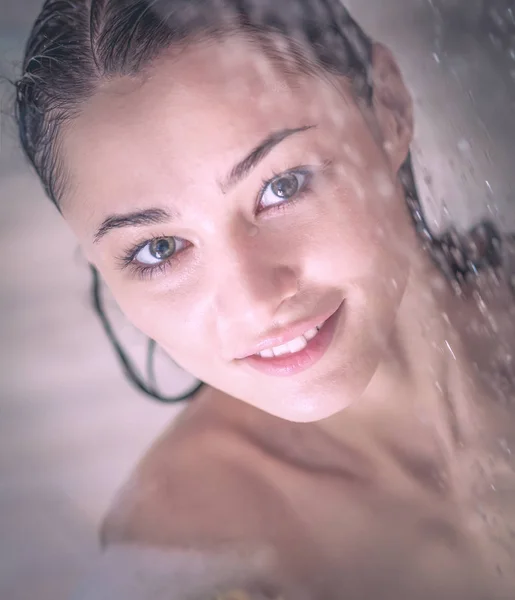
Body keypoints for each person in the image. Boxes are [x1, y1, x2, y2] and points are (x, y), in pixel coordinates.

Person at [15, 0, 515, 598]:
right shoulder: (183, 551)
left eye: (281, 186)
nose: (255, 301)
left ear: (388, 110)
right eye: (159, 249)